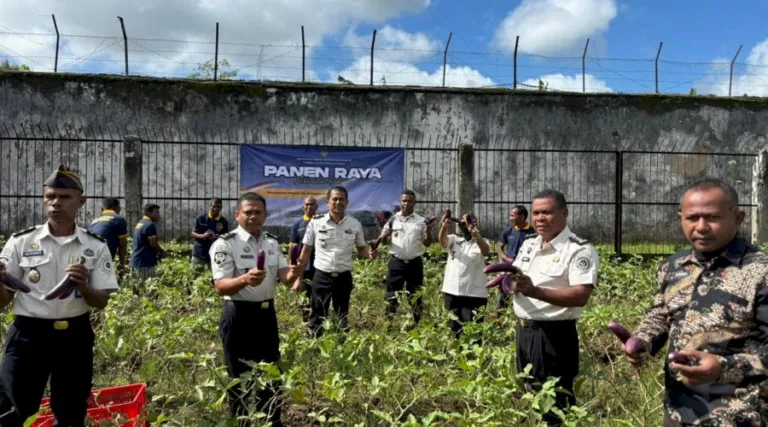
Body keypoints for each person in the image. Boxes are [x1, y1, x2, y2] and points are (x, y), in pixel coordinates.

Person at [622, 178, 768, 426]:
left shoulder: (760, 271)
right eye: (692, 218)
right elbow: (661, 313)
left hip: (740, 414)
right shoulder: (672, 267)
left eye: (712, 218)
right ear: (681, 217)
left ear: (739, 218)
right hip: (680, 408)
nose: (701, 227)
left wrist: (723, 367)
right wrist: (643, 340)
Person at [0, 165, 119, 427]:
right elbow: (3, 300)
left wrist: (85, 286)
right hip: (28, 335)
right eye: (50, 196)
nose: (55, 203)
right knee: (12, 408)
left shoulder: (95, 246)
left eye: (64, 197)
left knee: (71, 411)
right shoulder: (20, 242)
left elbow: (102, 301)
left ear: (81, 201)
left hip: (73, 338)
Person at [505, 189, 599, 426]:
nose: (539, 218)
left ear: (564, 213)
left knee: (555, 405)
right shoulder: (529, 244)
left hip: (554, 337)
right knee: (533, 393)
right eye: (536, 213)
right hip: (525, 332)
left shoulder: (578, 249)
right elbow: (516, 278)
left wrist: (535, 291)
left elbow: (580, 295)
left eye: (547, 212)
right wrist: (509, 285)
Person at [210, 192, 301, 427]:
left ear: (265, 215)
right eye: (247, 212)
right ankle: (241, 422)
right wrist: (245, 280)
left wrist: (294, 272)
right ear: (237, 215)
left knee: (271, 372)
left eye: (257, 212)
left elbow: (285, 277)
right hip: (238, 314)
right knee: (238, 375)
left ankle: (272, 420)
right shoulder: (225, 244)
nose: (253, 216)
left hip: (266, 316)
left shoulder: (270, 242)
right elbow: (220, 286)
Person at [298, 186, 374, 337]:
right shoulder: (316, 222)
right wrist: (298, 277)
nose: (338, 202)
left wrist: (370, 255)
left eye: (341, 199)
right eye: (335, 199)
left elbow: (361, 250)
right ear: (328, 202)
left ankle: (341, 348)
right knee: (317, 315)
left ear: (347, 202)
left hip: (343, 277)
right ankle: (313, 347)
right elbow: (306, 251)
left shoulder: (355, 224)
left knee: (342, 315)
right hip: (321, 276)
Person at [378, 190, 433, 326]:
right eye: (404, 201)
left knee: (415, 295)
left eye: (409, 201)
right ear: (400, 202)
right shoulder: (392, 220)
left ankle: (418, 324)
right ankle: (388, 324)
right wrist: (386, 236)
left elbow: (427, 243)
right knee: (391, 294)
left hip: (415, 264)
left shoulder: (421, 221)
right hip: (396, 263)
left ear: (414, 203)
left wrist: (428, 231)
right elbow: (384, 242)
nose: (406, 203)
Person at [439, 212, 491, 339]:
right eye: (462, 221)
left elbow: (485, 251)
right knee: (454, 327)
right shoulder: (455, 239)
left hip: (474, 294)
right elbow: (443, 241)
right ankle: (457, 355)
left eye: (467, 221)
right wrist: (444, 226)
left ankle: (473, 356)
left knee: (474, 329)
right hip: (452, 291)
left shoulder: (482, 241)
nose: (464, 224)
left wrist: (475, 233)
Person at [496, 205, 536, 310]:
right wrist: (504, 260)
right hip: (508, 270)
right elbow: (499, 247)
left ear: (522, 217)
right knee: (503, 296)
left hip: (524, 271)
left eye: (512, 216)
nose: (510, 218)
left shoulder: (533, 233)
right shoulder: (508, 231)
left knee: (522, 296)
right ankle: (499, 321)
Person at [289, 196, 318, 323]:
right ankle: (305, 322)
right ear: (303, 207)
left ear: (316, 207)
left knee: (319, 295)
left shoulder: (321, 222)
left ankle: (318, 322)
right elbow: (293, 248)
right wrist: (293, 270)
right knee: (304, 295)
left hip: (320, 265)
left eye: (312, 204)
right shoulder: (297, 225)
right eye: (307, 204)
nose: (309, 207)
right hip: (303, 267)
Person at [87, 197, 129, 277]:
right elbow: (122, 246)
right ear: (118, 208)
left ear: (102, 209)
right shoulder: (119, 219)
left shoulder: (94, 221)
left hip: (88, 256)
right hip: (103, 259)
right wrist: (122, 265)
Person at [130, 204, 167, 280]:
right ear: (148, 213)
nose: (158, 215)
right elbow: (153, 244)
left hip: (136, 261)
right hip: (145, 263)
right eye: (156, 212)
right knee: (147, 289)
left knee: (137, 289)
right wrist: (162, 251)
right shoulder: (149, 225)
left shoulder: (140, 223)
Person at [190, 198, 229, 269]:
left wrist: (218, 237)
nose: (216, 208)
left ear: (221, 208)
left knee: (215, 277)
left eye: (218, 207)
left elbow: (225, 236)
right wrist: (203, 236)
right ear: (210, 206)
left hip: (216, 253)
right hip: (199, 252)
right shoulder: (200, 218)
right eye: (214, 206)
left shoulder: (223, 221)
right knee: (194, 275)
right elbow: (193, 233)